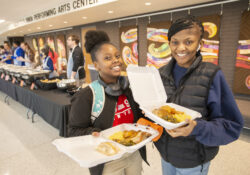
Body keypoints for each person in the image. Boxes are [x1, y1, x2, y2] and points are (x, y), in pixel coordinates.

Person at [153, 15, 244, 175]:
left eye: (188, 42)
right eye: (175, 42)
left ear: (200, 44)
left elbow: (232, 126)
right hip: (166, 155)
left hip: (193, 160)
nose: (181, 48)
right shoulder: (159, 74)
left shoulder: (212, 74)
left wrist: (197, 128)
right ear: (169, 44)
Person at [67, 30, 148, 175]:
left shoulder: (128, 89)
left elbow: (139, 118)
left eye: (117, 56)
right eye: (108, 58)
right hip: (107, 160)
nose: (116, 60)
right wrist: (94, 133)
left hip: (133, 153)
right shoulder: (86, 96)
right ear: (96, 65)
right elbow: (73, 131)